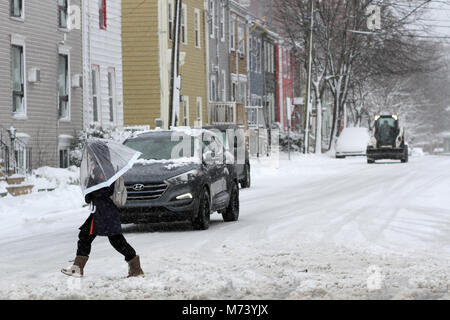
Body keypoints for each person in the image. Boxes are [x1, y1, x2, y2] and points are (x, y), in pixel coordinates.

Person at [62, 141, 144, 278]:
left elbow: (105, 190)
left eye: (90, 153)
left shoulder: (103, 168)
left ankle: (136, 268)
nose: (88, 155)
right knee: (86, 236)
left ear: (96, 153)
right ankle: (78, 268)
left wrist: (90, 190)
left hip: (105, 211)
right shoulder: (100, 166)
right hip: (102, 210)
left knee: (116, 240)